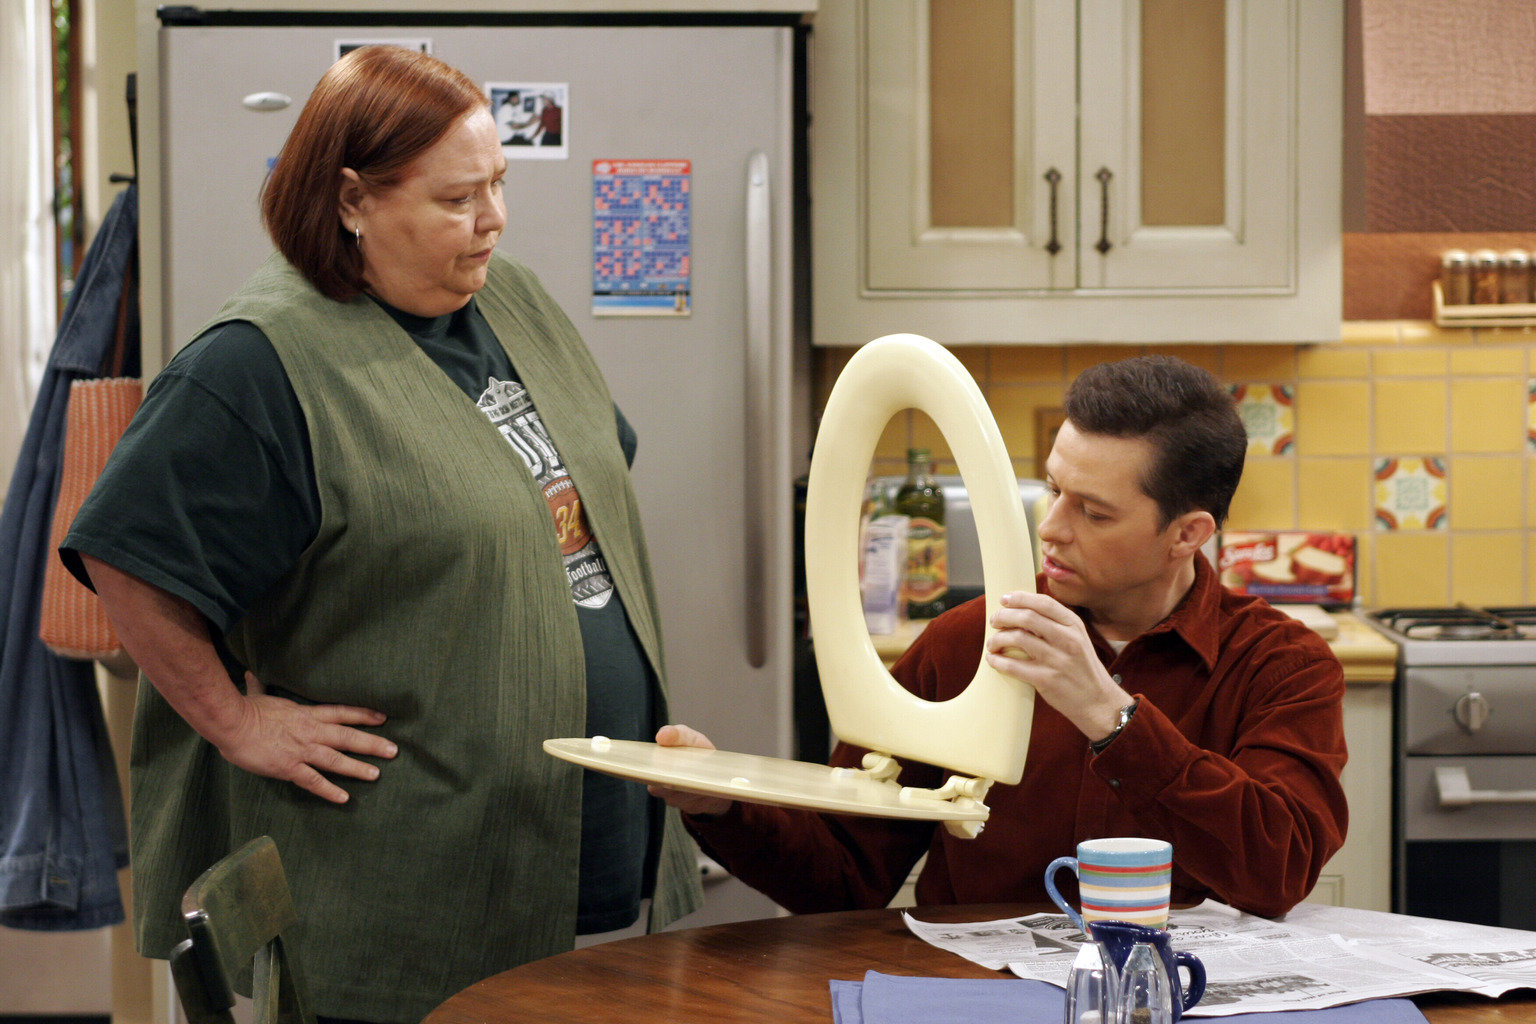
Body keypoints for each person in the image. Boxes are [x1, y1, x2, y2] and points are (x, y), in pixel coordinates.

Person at [60, 46, 700, 1023]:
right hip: (406, 886)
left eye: (498, 184)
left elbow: (578, 494)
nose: (493, 218)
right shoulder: (257, 365)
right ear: (352, 200)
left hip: (575, 841)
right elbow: (125, 552)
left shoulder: (509, 300)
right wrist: (235, 720)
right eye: (457, 199)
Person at [654, 355, 1347, 920]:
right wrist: (724, 804)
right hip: (978, 996)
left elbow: (1277, 871)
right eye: (1053, 489)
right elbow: (843, 876)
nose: (1051, 527)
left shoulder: (1283, 665)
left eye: (1094, 513)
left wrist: (1113, 719)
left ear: (1187, 534)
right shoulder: (963, 643)